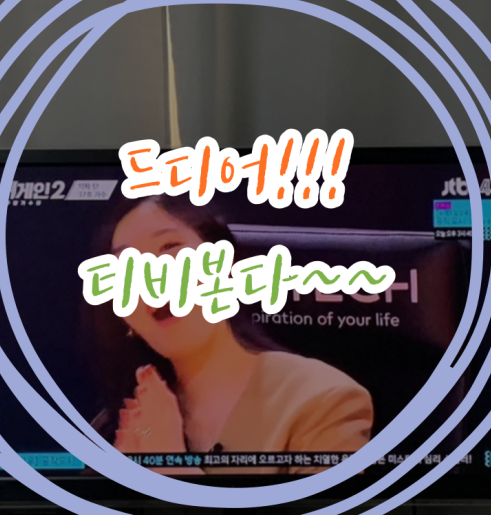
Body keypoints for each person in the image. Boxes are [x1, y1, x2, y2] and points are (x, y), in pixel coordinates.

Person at [83, 194, 373, 475]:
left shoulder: (322, 399)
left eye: (169, 248)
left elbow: (331, 511)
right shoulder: (120, 423)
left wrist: (172, 465)